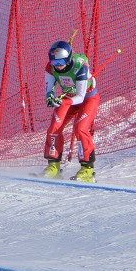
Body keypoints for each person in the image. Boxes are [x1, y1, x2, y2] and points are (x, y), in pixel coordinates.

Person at [42, 39, 100, 182]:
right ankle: (54, 166)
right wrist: (50, 97)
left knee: (80, 128)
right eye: (54, 63)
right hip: (68, 97)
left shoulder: (80, 67)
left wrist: (62, 101)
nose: (57, 67)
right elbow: (49, 89)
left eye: (60, 63)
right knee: (54, 127)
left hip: (87, 98)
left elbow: (80, 97)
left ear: (68, 59)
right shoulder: (51, 67)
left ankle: (87, 168)